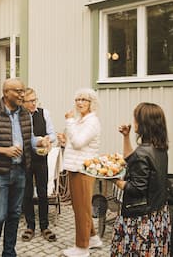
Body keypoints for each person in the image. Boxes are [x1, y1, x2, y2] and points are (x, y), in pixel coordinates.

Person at [0, 78, 50, 257]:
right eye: (18, 91)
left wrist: (39, 140)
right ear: (6, 92)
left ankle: (9, 252)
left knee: (15, 215)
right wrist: (4, 151)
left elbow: (29, 139)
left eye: (23, 91)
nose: (21, 95)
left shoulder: (25, 114)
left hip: (20, 172)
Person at [111, 102, 171, 256]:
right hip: (158, 214)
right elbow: (133, 160)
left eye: (136, 118)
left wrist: (114, 180)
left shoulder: (142, 153)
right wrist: (126, 137)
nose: (134, 122)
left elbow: (136, 188)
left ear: (144, 124)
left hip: (141, 220)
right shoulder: (161, 148)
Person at [58, 88, 102, 257]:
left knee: (82, 209)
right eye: (78, 99)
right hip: (75, 167)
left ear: (91, 103)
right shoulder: (80, 120)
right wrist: (65, 141)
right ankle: (93, 238)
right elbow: (74, 144)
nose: (80, 102)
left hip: (83, 170)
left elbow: (78, 143)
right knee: (80, 207)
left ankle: (82, 248)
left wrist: (68, 122)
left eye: (84, 99)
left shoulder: (91, 122)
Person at [21, 88, 56, 242]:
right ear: (23, 103)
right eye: (30, 101)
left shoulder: (44, 113)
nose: (34, 103)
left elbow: (52, 134)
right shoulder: (19, 117)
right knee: (26, 193)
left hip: (41, 159)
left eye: (35, 99)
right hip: (24, 159)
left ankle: (44, 226)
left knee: (43, 192)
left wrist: (48, 140)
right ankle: (30, 226)